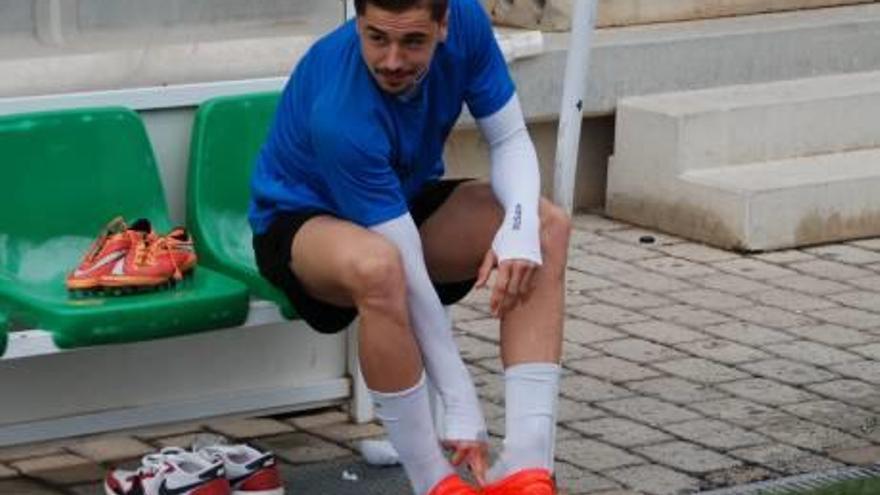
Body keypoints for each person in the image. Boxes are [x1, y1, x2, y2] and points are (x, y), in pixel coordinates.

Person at [249, 0, 570, 493]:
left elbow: (508, 138)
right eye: (376, 37)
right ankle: (433, 481)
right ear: (357, 21)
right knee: (382, 268)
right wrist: (459, 399)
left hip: (401, 197)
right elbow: (409, 273)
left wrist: (518, 236)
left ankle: (527, 471)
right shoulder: (341, 115)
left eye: (413, 42)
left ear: (443, 25)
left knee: (547, 225)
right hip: (303, 222)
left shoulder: (467, 19)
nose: (392, 60)